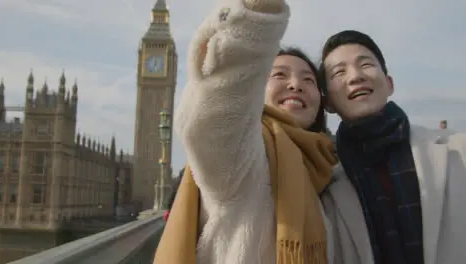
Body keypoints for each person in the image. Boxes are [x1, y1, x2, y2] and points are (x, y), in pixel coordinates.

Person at [153, 0, 338, 263]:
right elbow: (216, 111)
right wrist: (256, 13)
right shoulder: (240, 155)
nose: (296, 84)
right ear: (255, 89)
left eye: (308, 79)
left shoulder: (329, 169)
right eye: (280, 75)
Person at [319, 30, 466, 264]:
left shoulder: (457, 151)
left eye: (365, 64)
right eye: (339, 72)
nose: (355, 77)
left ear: (389, 84)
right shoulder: (324, 183)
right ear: (327, 103)